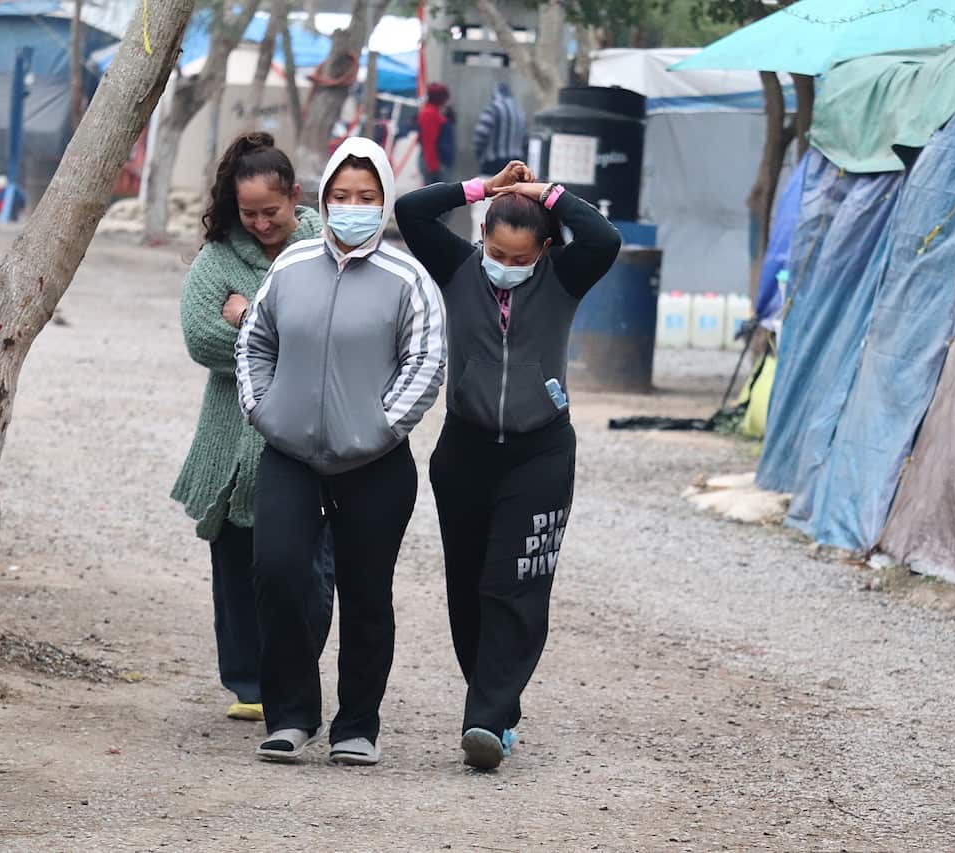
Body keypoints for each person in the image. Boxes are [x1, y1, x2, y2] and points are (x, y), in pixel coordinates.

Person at [395, 161, 621, 770]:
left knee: (514, 583)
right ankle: (496, 700)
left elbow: (605, 238)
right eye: (498, 252)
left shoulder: (565, 277)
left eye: (522, 258)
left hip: (540, 451)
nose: (508, 266)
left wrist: (546, 193)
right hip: (464, 450)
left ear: (545, 249)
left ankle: (486, 720)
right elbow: (412, 210)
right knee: (467, 587)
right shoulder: (459, 268)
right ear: (482, 240)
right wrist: (484, 188)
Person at [236, 137, 446, 766]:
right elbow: (255, 343)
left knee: (364, 591)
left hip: (375, 464)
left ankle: (357, 724)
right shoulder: (291, 265)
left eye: (367, 197)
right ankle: (291, 716)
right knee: (277, 573)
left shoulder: (408, 278)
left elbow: (427, 360)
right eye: (341, 196)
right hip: (291, 455)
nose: (352, 207)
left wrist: (379, 427)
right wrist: (265, 410)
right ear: (322, 200)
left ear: (383, 203)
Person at [173, 131, 334, 724]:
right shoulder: (215, 259)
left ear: (295, 196)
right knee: (236, 563)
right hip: (232, 440)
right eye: (249, 213)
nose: (262, 223)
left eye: (272, 211)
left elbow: (334, 330)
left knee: (304, 565)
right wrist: (280, 333)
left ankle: (293, 671)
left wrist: (249, 315)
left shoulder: (327, 245)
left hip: (314, 434)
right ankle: (248, 680)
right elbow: (201, 338)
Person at [469, 82, 527, 242]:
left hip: (491, 167)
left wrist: (481, 155)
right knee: (505, 215)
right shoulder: (519, 111)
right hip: (513, 171)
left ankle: (479, 249)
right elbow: (525, 140)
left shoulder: (493, 108)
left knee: (483, 212)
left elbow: (480, 134)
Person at [418, 82, 455, 186]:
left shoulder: (434, 111)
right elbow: (429, 141)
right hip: (434, 164)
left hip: (436, 162)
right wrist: (433, 167)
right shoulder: (429, 113)